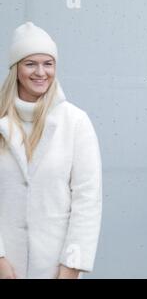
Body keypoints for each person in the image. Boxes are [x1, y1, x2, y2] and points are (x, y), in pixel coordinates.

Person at [0, 22, 102, 279]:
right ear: (16, 69)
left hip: (55, 268)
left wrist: (72, 265)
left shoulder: (75, 122)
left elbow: (87, 199)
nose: (41, 72)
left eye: (48, 63)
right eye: (30, 63)